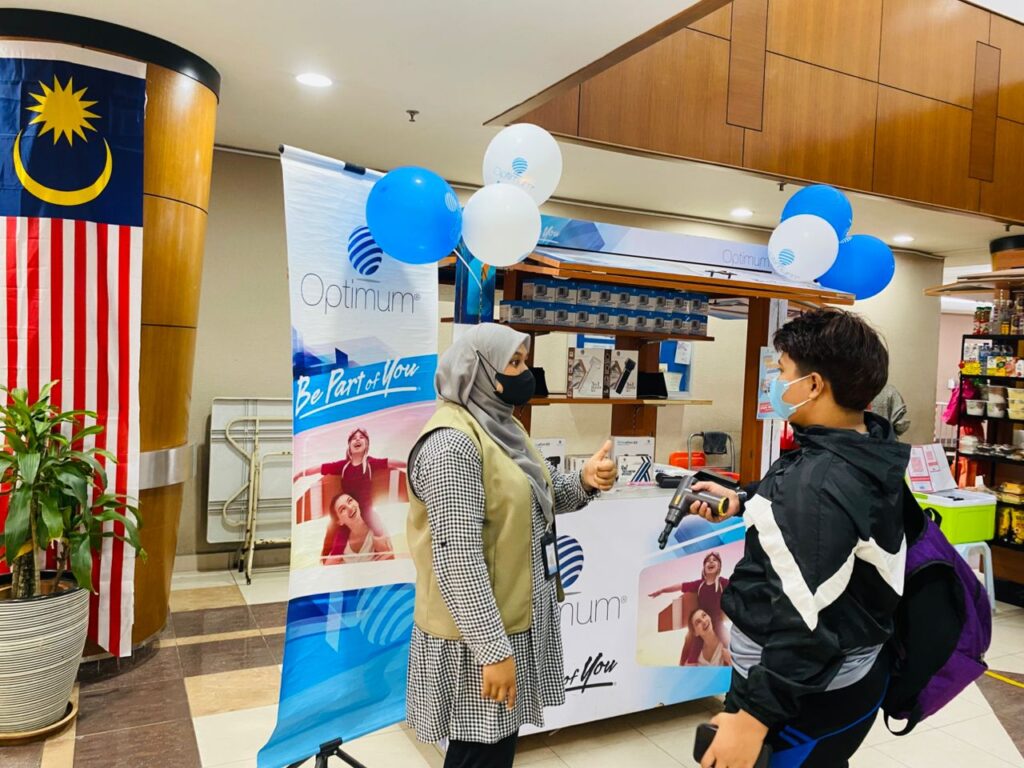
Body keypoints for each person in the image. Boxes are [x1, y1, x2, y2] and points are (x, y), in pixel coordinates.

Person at [689, 308, 910, 768]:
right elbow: (825, 530)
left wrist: (754, 717)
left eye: (781, 371)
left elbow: (806, 624)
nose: (775, 382)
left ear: (813, 385)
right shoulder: (866, 447)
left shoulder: (817, 483)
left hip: (799, 695)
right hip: (851, 674)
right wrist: (744, 499)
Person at [405, 323, 617, 768]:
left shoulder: (504, 428)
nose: (526, 373)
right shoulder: (452, 445)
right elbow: (458, 559)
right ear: (477, 370)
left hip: (512, 620)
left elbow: (544, 495)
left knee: (495, 752)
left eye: (525, 362)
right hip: (476, 638)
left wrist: (585, 480)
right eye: (514, 363)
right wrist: (493, 651)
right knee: (478, 755)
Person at [295, 427, 405, 541]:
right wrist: (299, 474)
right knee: (334, 539)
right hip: (347, 514)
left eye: (361, 437)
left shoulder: (370, 463)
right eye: (354, 438)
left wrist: (407, 465)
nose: (357, 439)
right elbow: (320, 468)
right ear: (349, 445)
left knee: (381, 538)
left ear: (366, 445)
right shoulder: (343, 466)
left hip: (367, 513)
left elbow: (390, 462)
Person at [648, 551, 730, 665]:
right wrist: (662, 590)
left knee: (730, 648)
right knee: (691, 653)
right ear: (704, 567)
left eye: (714, 560)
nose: (711, 562)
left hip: (717, 623)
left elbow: (738, 586)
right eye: (707, 561)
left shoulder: (723, 582)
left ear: (719, 566)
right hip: (700, 623)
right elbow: (680, 586)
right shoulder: (699, 584)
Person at [320, 493, 392, 565]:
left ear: (357, 502)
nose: (350, 508)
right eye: (343, 509)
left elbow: (391, 562)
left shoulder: (377, 529)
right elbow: (327, 568)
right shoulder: (341, 544)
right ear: (339, 521)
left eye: (350, 501)